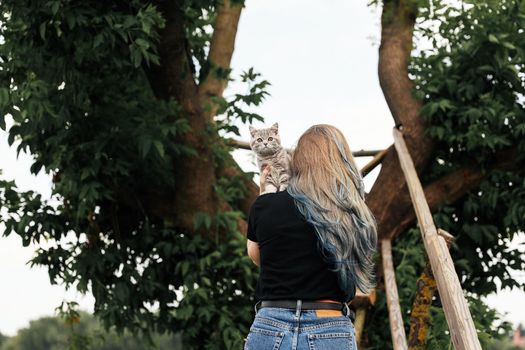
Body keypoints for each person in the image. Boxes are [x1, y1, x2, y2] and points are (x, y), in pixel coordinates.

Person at [244, 124, 378, 350]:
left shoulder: (265, 204)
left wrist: (263, 199)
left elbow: (257, 256)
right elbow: (355, 273)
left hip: (270, 324)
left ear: (297, 160)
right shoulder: (350, 212)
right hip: (330, 327)